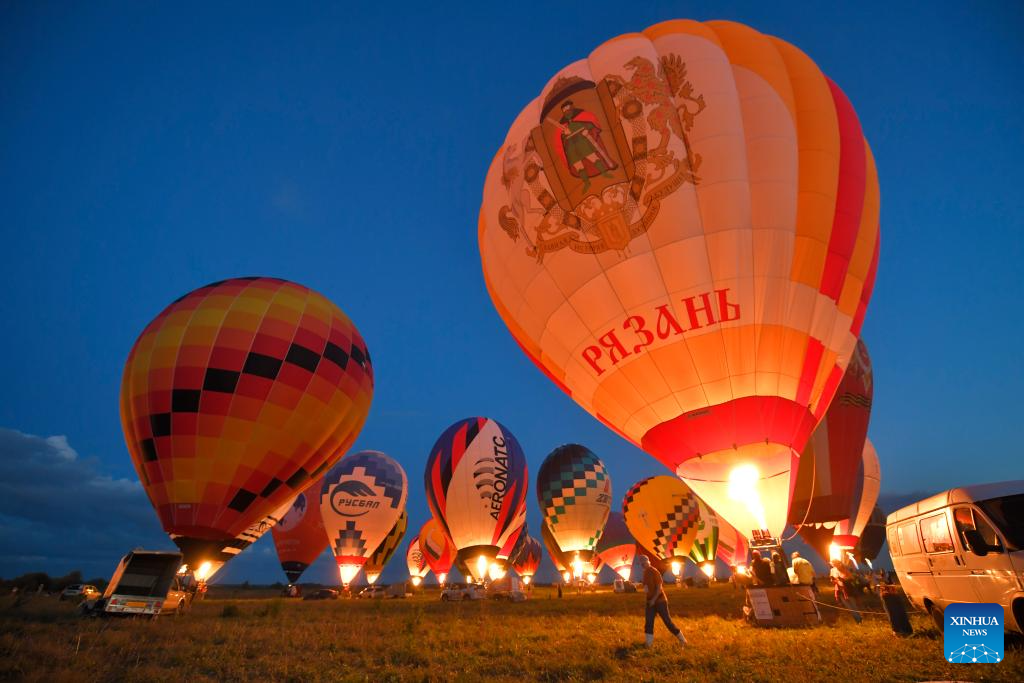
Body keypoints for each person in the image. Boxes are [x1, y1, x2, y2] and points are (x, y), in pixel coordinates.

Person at [638, 555, 686, 648]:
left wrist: (653, 599)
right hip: (650, 601)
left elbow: (659, 588)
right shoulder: (645, 573)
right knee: (648, 622)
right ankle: (648, 644)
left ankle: (682, 639)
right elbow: (646, 587)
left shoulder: (655, 572)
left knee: (667, 622)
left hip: (660, 601)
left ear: (648, 562)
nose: (642, 565)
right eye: (641, 564)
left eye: (644, 563)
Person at [830, 559, 863, 624]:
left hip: (848, 589)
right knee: (849, 607)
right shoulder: (832, 570)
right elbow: (832, 580)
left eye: (834, 563)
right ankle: (858, 619)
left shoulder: (845, 568)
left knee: (853, 605)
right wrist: (835, 580)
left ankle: (859, 619)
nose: (833, 565)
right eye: (832, 564)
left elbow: (851, 577)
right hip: (840, 590)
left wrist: (843, 579)